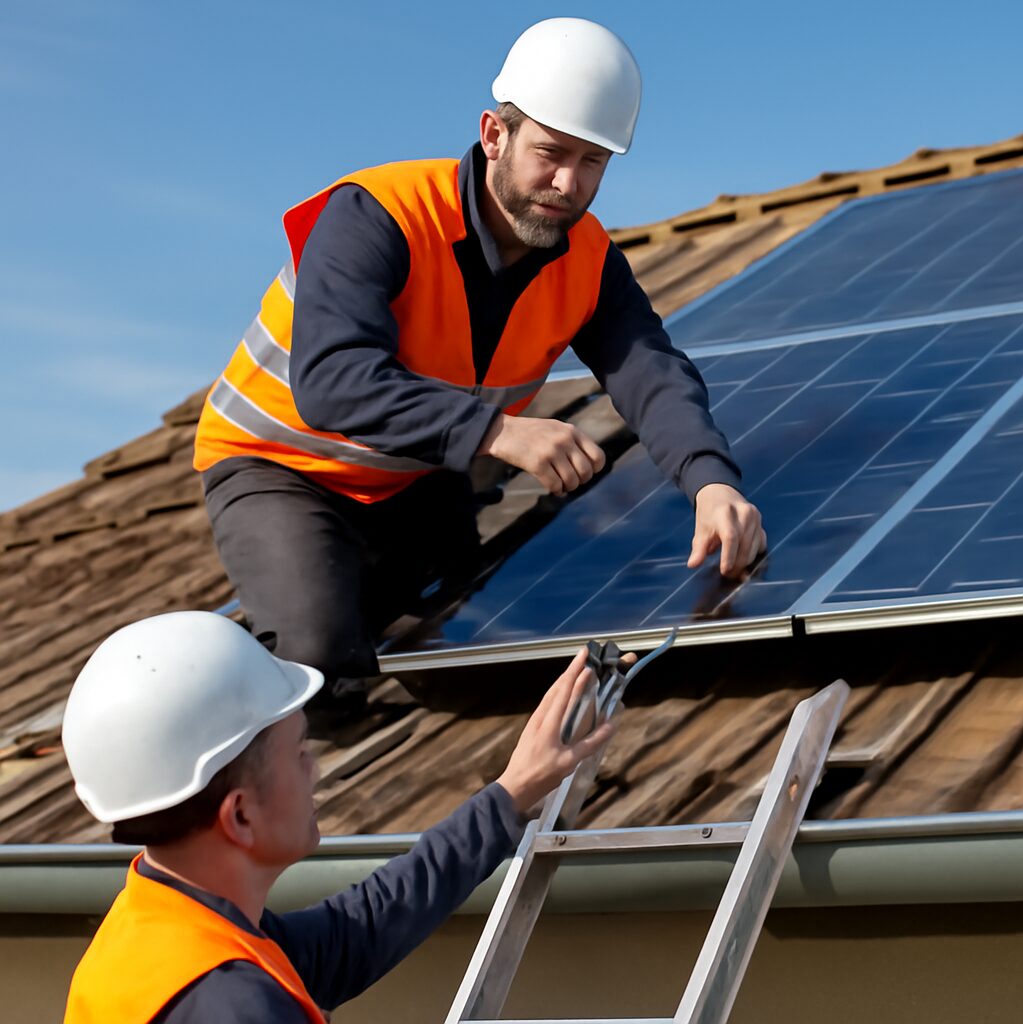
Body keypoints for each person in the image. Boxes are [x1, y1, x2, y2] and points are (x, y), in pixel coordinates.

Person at [192, 18, 766, 713]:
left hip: (415, 481)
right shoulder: (379, 215)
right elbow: (332, 381)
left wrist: (710, 482)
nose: (567, 183)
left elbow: (651, 372)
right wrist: (500, 434)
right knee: (322, 673)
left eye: (593, 163)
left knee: (467, 639)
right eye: (551, 153)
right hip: (282, 469)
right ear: (495, 134)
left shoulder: (588, 260)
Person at [61, 611, 614, 1022]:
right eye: (300, 751)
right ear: (241, 815)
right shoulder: (234, 1004)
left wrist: (511, 793)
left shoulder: (160, 932)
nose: (316, 771)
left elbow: (359, 929)